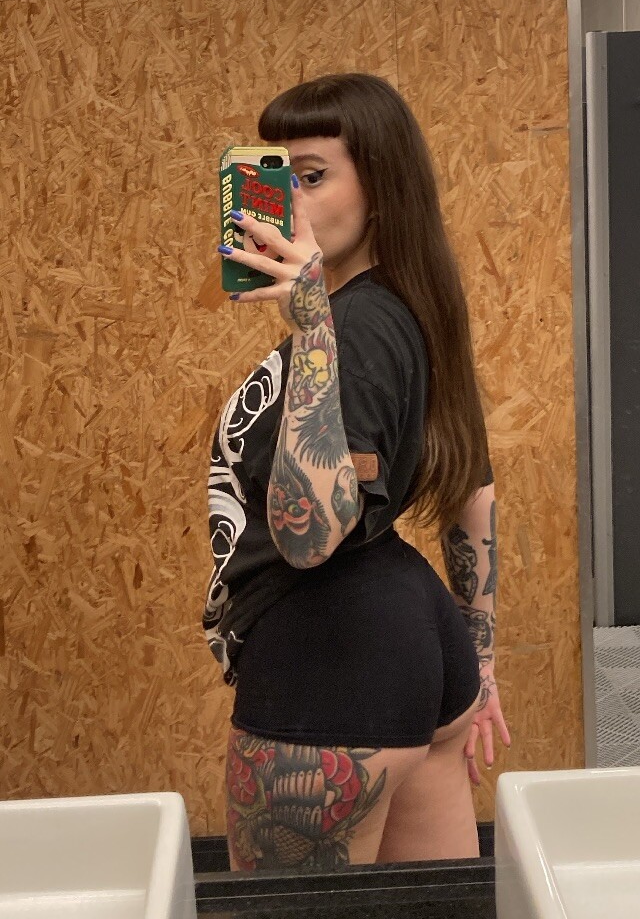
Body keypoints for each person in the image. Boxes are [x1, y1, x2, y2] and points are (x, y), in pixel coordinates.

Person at [205, 72, 511, 873]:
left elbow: (312, 536)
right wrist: (479, 660)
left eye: (312, 177)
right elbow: (472, 487)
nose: (289, 203)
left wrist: (312, 322)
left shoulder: (355, 326)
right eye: (277, 178)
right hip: (413, 651)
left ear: (381, 187)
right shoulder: (409, 306)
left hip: (331, 667)